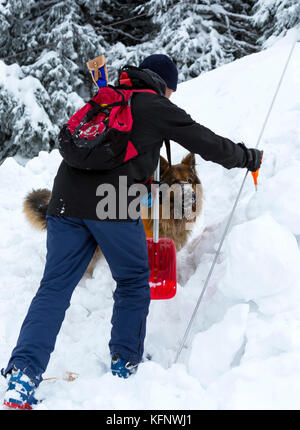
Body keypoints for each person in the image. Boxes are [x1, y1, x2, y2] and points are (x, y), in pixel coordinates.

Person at [2, 54, 263, 409]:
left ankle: (21, 376)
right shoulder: (154, 105)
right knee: (133, 279)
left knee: (54, 288)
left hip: (64, 199)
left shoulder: (107, 97)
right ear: (165, 85)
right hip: (112, 202)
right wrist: (246, 157)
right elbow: (204, 141)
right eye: (171, 90)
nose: (170, 97)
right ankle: (125, 362)